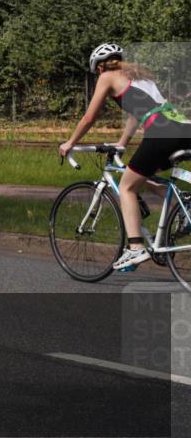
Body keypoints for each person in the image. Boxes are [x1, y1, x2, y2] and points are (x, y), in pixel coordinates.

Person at [59, 43, 191, 270]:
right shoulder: (138, 75)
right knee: (143, 178)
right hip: (184, 129)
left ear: (100, 67)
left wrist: (70, 142)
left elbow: (90, 117)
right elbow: (136, 116)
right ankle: (184, 208)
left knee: (127, 187)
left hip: (162, 133)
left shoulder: (107, 77)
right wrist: (122, 143)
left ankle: (135, 249)